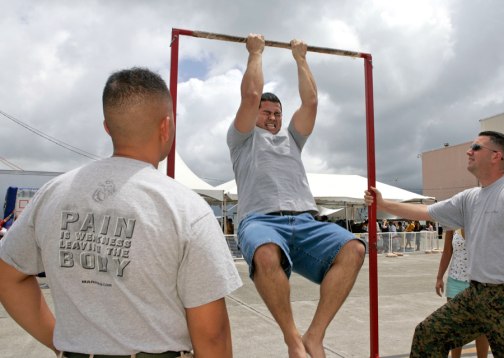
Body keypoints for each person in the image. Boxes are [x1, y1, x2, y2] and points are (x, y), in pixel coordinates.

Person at [0, 67, 242, 358]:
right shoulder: (186, 209)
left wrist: (60, 342)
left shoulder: (53, 193)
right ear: (166, 127)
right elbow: (212, 336)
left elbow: (7, 275)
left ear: (107, 126)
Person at [227, 33, 366, 358]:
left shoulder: (292, 138)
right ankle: (292, 340)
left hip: (305, 221)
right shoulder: (242, 139)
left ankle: (314, 336)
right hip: (260, 219)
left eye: (277, 113)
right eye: (267, 113)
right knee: (264, 253)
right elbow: (250, 96)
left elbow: (311, 103)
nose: (272, 117)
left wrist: (301, 59)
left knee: (354, 249)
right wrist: (256, 53)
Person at [364, 131, 504, 357]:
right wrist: (385, 204)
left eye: (476, 147)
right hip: (477, 293)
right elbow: (427, 212)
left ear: (497, 156)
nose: (468, 151)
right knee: (429, 334)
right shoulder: (470, 198)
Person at [436, 229, 489, 357]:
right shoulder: (452, 224)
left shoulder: (481, 219)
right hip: (455, 282)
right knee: (455, 327)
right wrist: (439, 277)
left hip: (480, 282)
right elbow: (447, 251)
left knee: (482, 328)